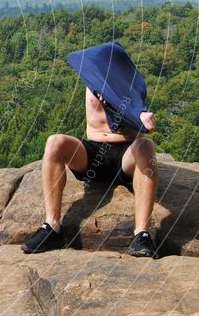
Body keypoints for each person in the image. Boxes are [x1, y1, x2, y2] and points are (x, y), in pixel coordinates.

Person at [21, 42, 159, 257]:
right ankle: (52, 227)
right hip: (93, 153)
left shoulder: (129, 82)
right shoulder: (92, 82)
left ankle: (142, 234)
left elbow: (137, 113)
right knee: (55, 141)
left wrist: (130, 112)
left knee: (146, 146)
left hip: (126, 155)